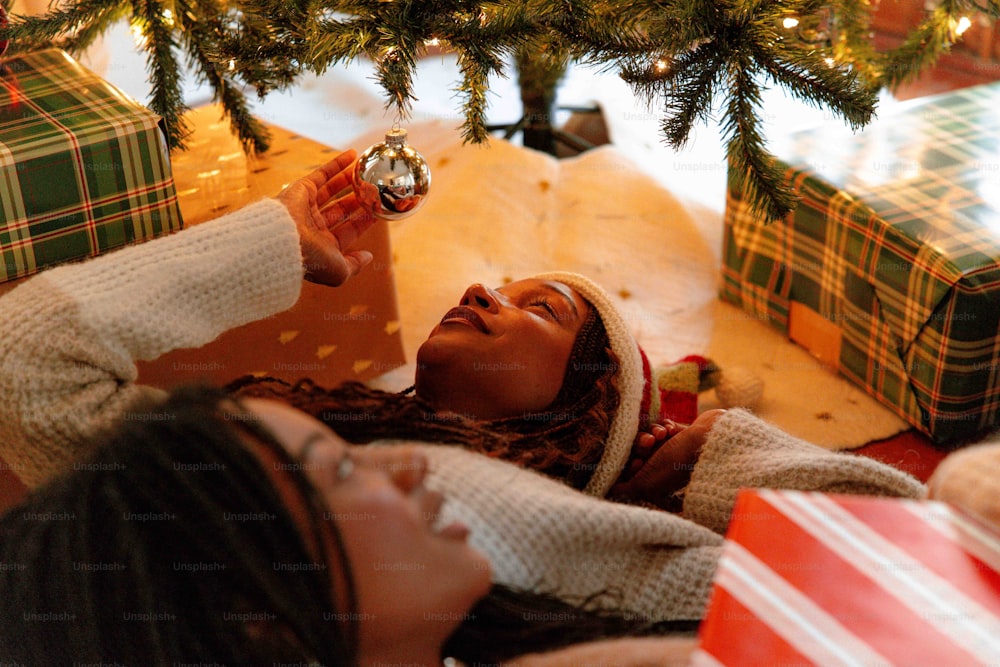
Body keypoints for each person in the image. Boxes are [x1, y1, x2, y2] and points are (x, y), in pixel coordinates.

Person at [0, 151, 926, 663]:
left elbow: (911, 565)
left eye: (543, 309)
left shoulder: (606, 546)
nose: (486, 294)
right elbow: (26, 363)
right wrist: (278, 238)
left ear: (592, 413)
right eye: (338, 468)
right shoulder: (258, 478)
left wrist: (725, 454)